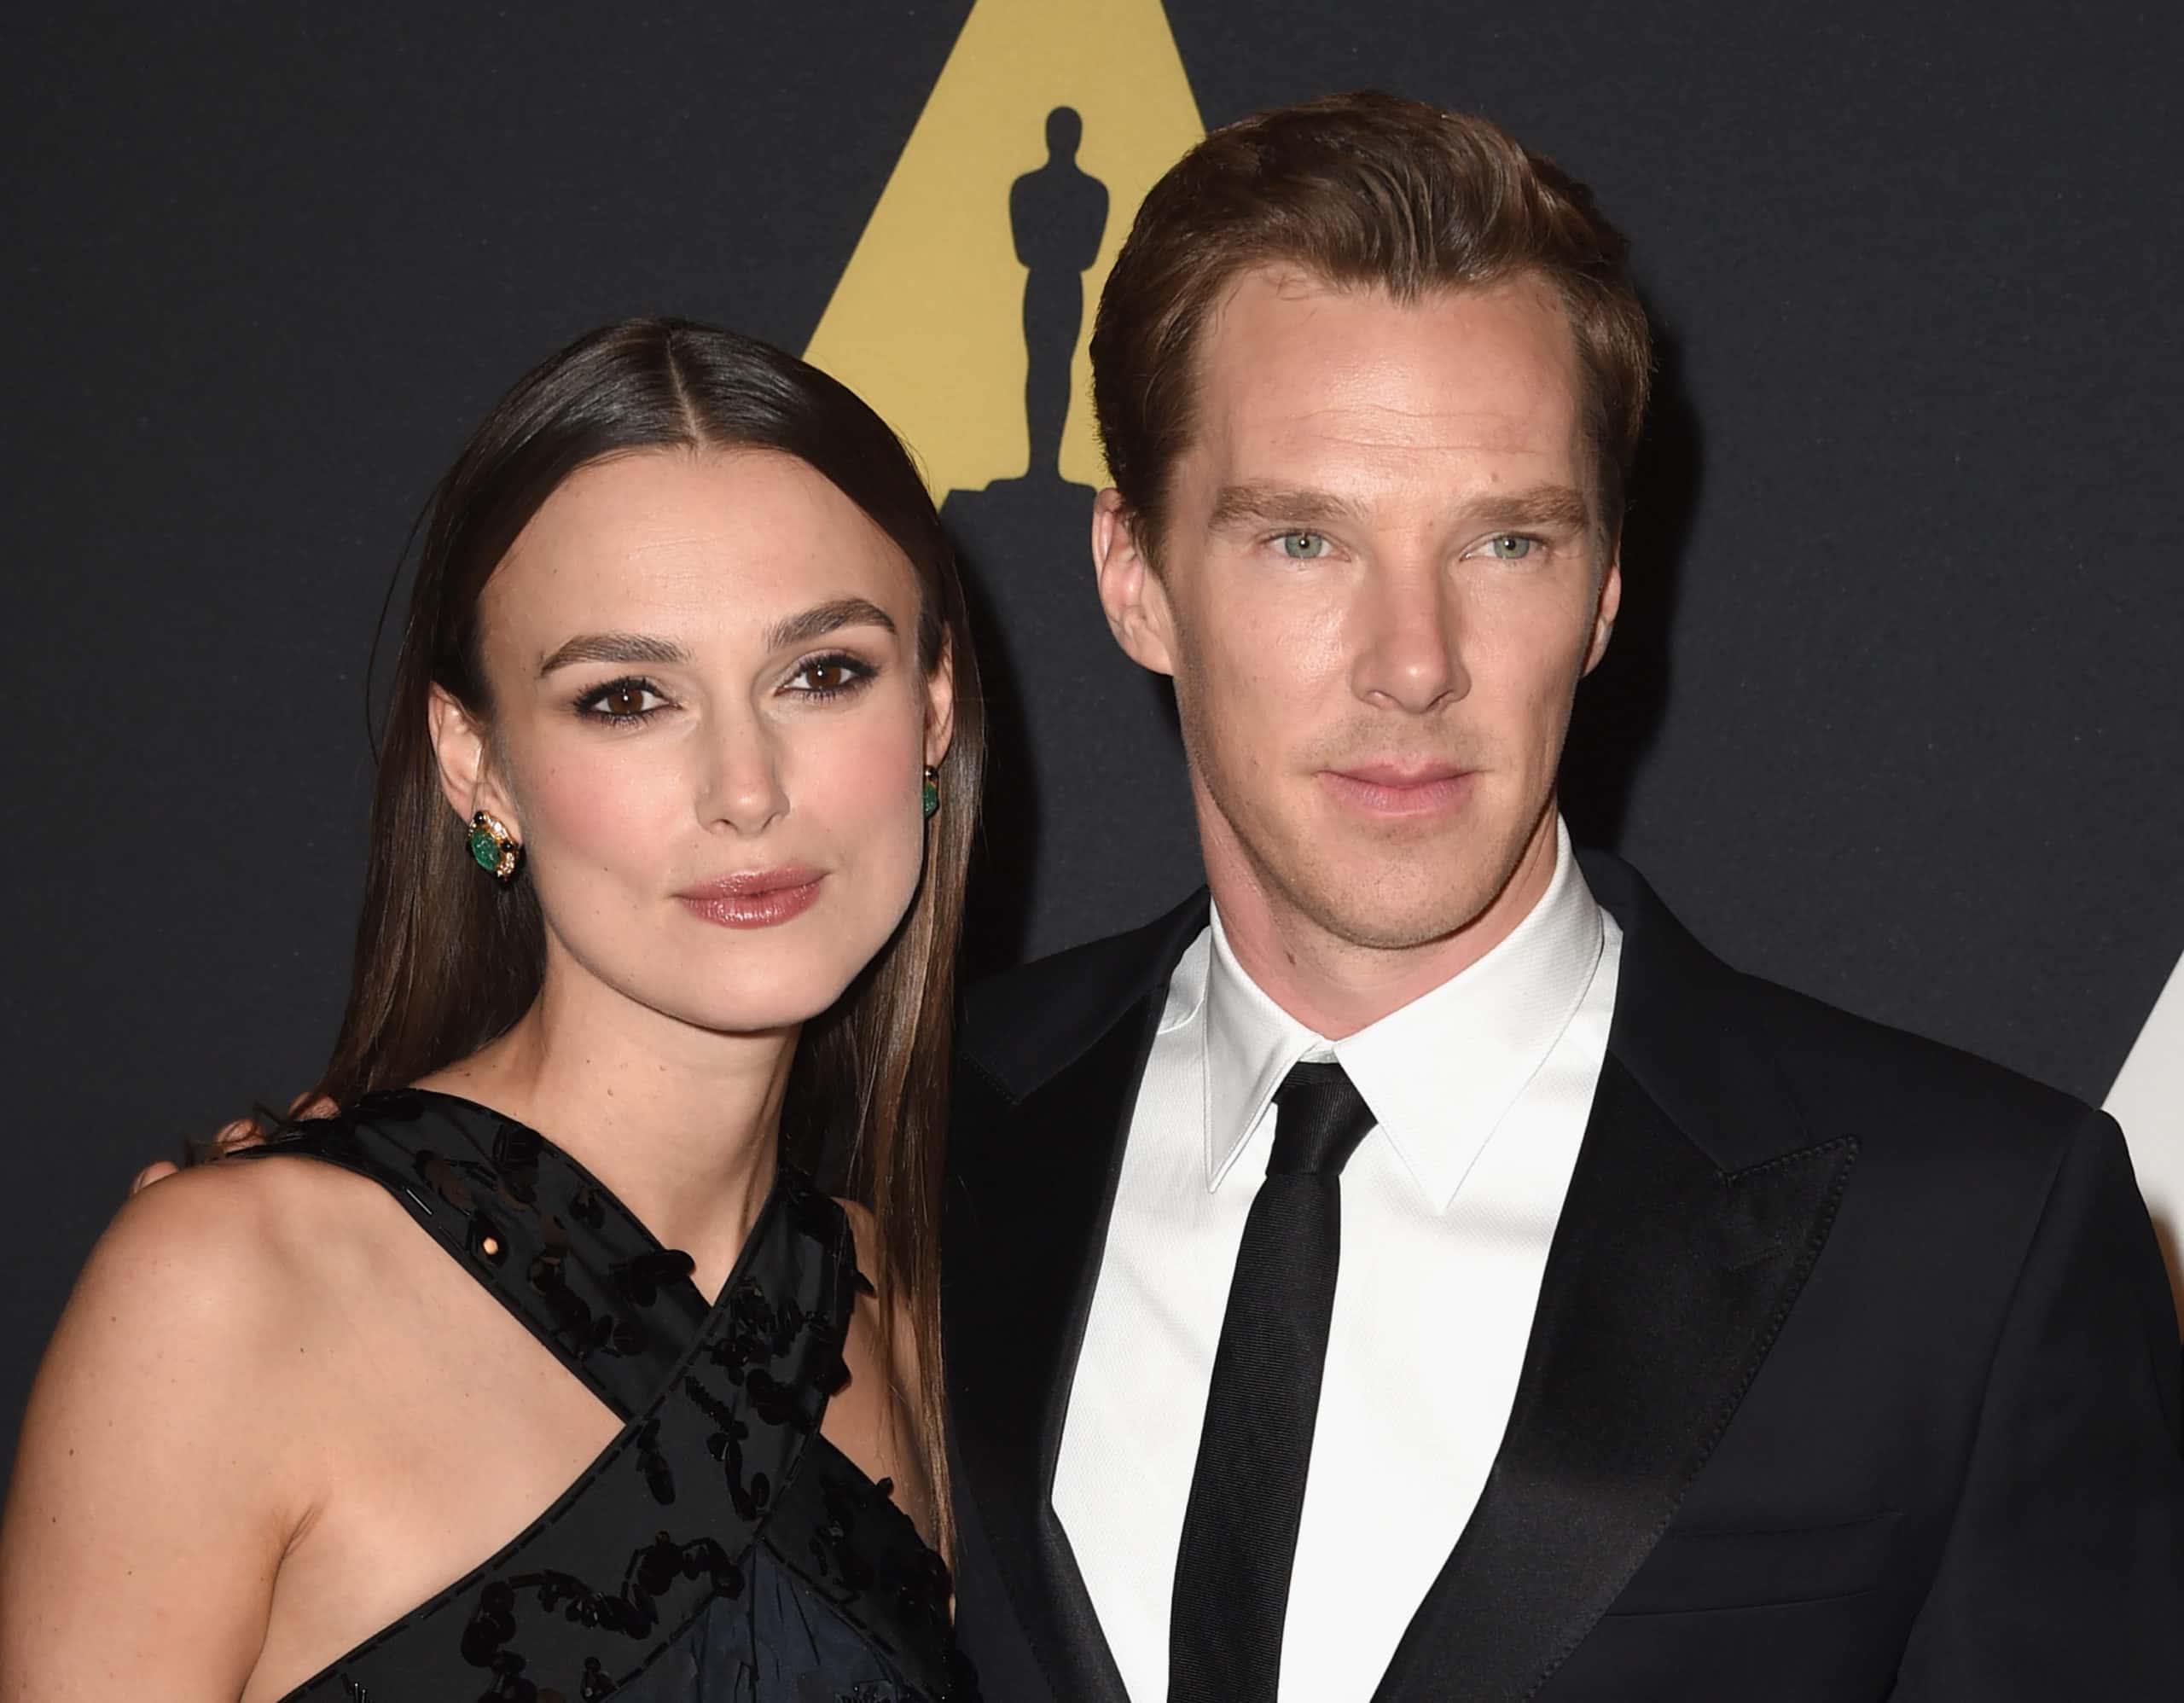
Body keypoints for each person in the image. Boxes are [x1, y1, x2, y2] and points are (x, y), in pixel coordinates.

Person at [938, 91, 2184, 1702]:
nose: (1413, 663)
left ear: (1602, 594)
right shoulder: (914, 1141)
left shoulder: (1974, 1235)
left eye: (1505, 543)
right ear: (1133, 576)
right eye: (1305, 541)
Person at [0, 319, 983, 1701]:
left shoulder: (918, 1326)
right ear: (478, 766)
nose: (748, 788)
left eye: (823, 674)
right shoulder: (227, 1296)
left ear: (934, 711)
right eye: (628, 697)